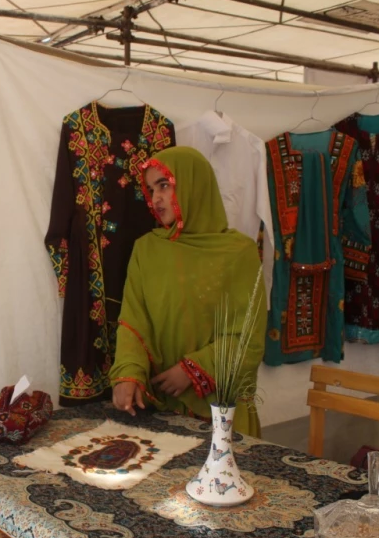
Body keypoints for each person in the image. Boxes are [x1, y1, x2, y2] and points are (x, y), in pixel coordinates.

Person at [108, 146, 267, 436]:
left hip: (222, 415)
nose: (156, 198)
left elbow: (249, 340)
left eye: (165, 186)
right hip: (162, 413)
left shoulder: (239, 253)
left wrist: (193, 370)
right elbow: (133, 321)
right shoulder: (146, 250)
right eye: (151, 189)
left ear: (195, 187)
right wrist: (127, 374)